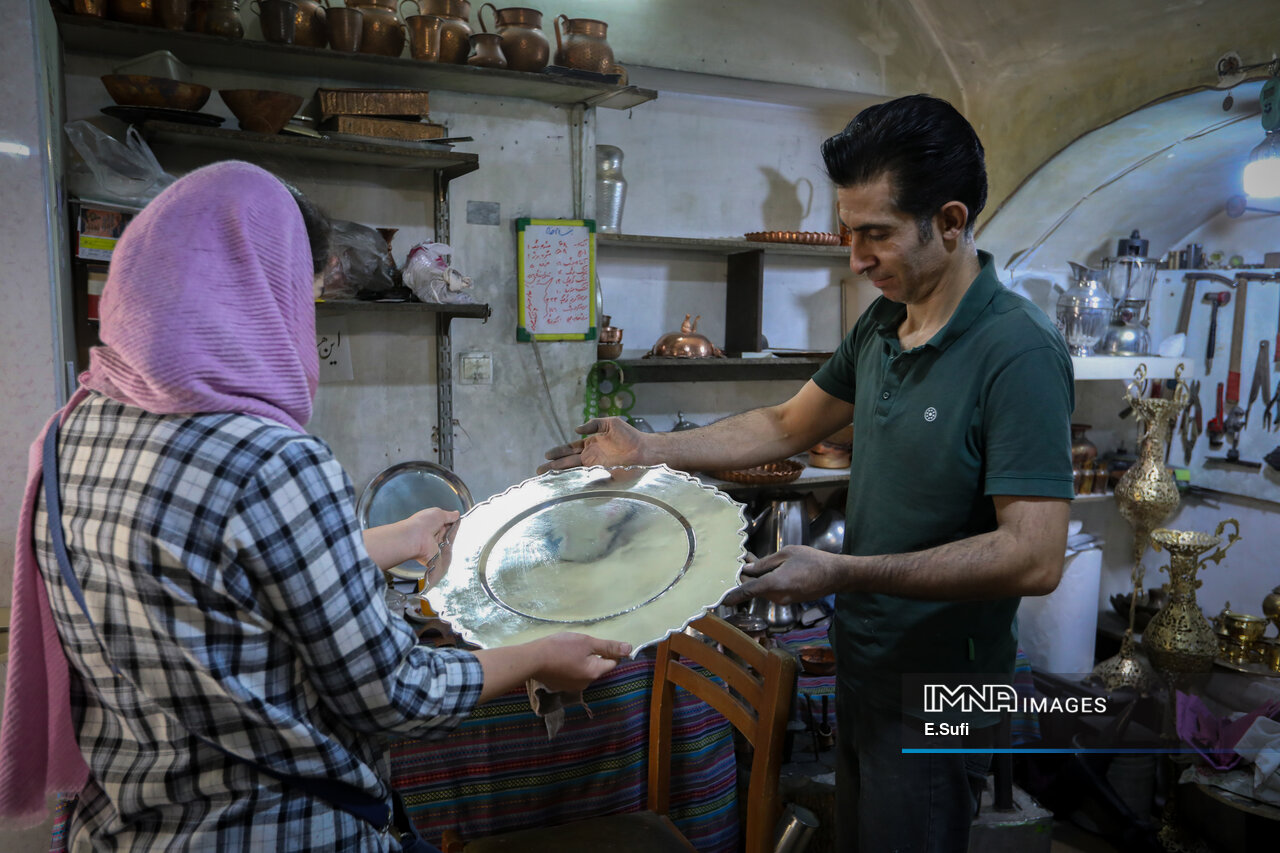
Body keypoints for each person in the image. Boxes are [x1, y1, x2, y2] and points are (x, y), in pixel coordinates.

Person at [0, 161, 629, 851]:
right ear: (257, 291)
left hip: (122, 826)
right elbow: (398, 694)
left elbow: (201, 577)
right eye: (302, 294)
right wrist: (539, 655)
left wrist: (400, 536)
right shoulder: (270, 458)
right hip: (270, 831)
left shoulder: (69, 432)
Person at [540, 95, 1074, 852]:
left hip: (941, 687)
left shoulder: (1017, 351)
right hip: (866, 659)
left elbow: (1035, 555)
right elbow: (787, 424)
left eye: (877, 234)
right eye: (849, 233)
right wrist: (645, 448)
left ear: (951, 222)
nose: (856, 259)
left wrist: (842, 571)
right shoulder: (885, 322)